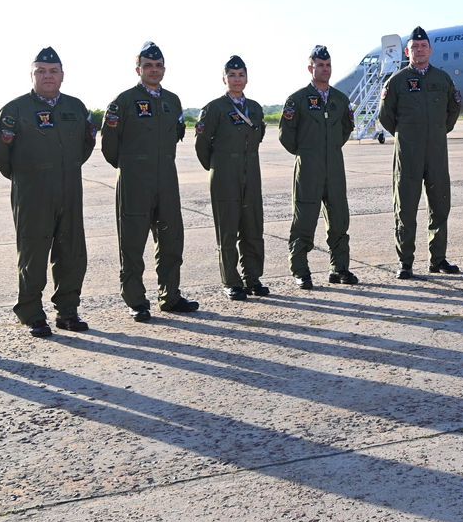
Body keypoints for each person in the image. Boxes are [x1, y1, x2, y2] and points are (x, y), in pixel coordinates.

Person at [0, 46, 95, 337]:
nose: (48, 76)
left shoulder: (76, 107)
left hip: (70, 189)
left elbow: (85, 145)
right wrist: (25, 175)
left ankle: (68, 311)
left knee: (72, 252)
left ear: (62, 75)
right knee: (33, 254)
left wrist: (66, 169)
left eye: (53, 71)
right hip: (32, 192)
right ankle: (31, 313)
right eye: (41, 71)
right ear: (32, 75)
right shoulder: (15, 109)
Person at [102, 41, 198, 320]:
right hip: (134, 181)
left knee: (172, 239)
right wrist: (130, 168)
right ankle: (136, 301)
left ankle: (171, 296)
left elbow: (177, 135)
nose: (153, 70)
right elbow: (109, 145)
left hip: (166, 179)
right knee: (132, 243)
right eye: (148, 66)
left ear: (164, 69)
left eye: (158, 66)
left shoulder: (172, 101)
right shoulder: (124, 101)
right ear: (138, 69)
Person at [378, 27, 462, 278]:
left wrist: (437, 131)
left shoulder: (442, 79)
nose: (419, 50)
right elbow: (386, 116)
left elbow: (452, 110)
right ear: (407, 52)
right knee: (405, 208)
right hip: (408, 154)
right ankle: (405, 262)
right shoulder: (397, 81)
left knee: (440, 206)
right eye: (414, 47)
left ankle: (438, 259)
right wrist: (408, 134)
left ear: (430, 50)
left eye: (423, 46)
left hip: (436, 152)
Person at [279, 45, 356, 288]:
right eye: (320, 65)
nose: (325, 69)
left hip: (334, 168)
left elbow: (345, 129)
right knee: (304, 220)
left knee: (339, 219)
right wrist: (308, 152)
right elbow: (286, 136)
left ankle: (340, 268)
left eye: (328, 65)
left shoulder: (340, 100)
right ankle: (301, 270)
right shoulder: (297, 100)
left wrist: (329, 149)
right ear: (310, 68)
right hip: (309, 168)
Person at [195, 55, 269, 300]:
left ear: (247, 77)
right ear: (224, 78)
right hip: (225, 176)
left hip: (251, 174)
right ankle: (231, 280)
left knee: (253, 227)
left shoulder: (256, 108)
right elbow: (202, 145)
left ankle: (253, 278)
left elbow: (257, 138)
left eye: (241, 75)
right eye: (232, 75)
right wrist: (219, 166)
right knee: (227, 230)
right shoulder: (215, 108)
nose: (237, 80)